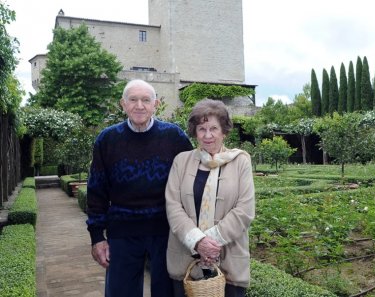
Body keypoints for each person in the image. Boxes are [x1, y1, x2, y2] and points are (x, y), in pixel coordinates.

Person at [86, 79, 193, 297]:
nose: (139, 105)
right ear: (122, 104)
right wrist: (97, 237)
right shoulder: (107, 140)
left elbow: (191, 181)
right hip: (122, 233)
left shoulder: (174, 137)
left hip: (166, 232)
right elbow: (96, 191)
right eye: (133, 100)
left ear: (156, 104)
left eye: (146, 100)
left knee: (167, 293)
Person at [165, 99, 255, 297]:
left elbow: (245, 210)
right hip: (185, 261)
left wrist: (209, 243)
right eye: (201, 128)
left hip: (229, 262)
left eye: (213, 128)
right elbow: (173, 206)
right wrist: (197, 241)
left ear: (224, 131)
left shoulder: (241, 161)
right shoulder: (181, 161)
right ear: (194, 132)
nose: (207, 135)